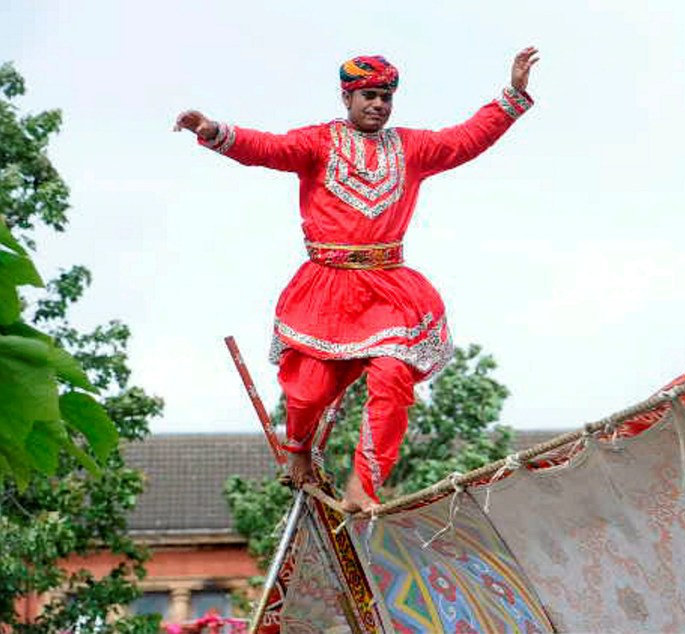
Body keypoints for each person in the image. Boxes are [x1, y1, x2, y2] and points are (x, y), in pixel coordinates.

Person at [175, 48, 538, 512]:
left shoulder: (411, 148)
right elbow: (268, 148)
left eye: (386, 97)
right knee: (309, 390)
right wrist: (212, 131)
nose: (379, 105)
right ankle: (300, 451)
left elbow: (463, 140)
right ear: (348, 97)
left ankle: (363, 486)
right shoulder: (318, 143)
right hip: (327, 289)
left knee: (392, 379)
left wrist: (512, 96)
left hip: (388, 290)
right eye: (370, 95)